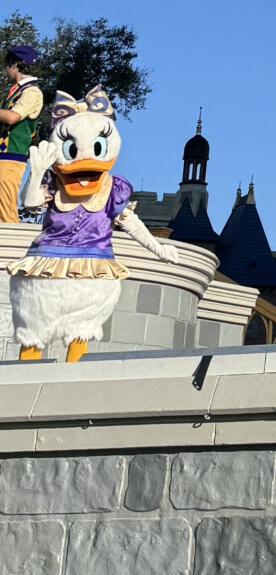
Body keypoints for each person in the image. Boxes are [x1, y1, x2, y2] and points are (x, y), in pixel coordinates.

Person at [10, 87, 182, 361]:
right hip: (46, 266)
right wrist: (38, 171)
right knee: (33, 331)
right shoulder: (54, 183)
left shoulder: (112, 188)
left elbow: (129, 221)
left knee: (81, 333)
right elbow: (30, 204)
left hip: (93, 268)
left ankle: (72, 382)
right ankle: (22, 383)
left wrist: (159, 249)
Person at [0, 45, 45, 224]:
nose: (4, 70)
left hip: (12, 156)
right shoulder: (15, 91)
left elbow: (12, 117)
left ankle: (11, 246)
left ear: (15, 65)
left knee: (4, 205)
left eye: (6, 65)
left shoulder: (32, 92)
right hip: (3, 155)